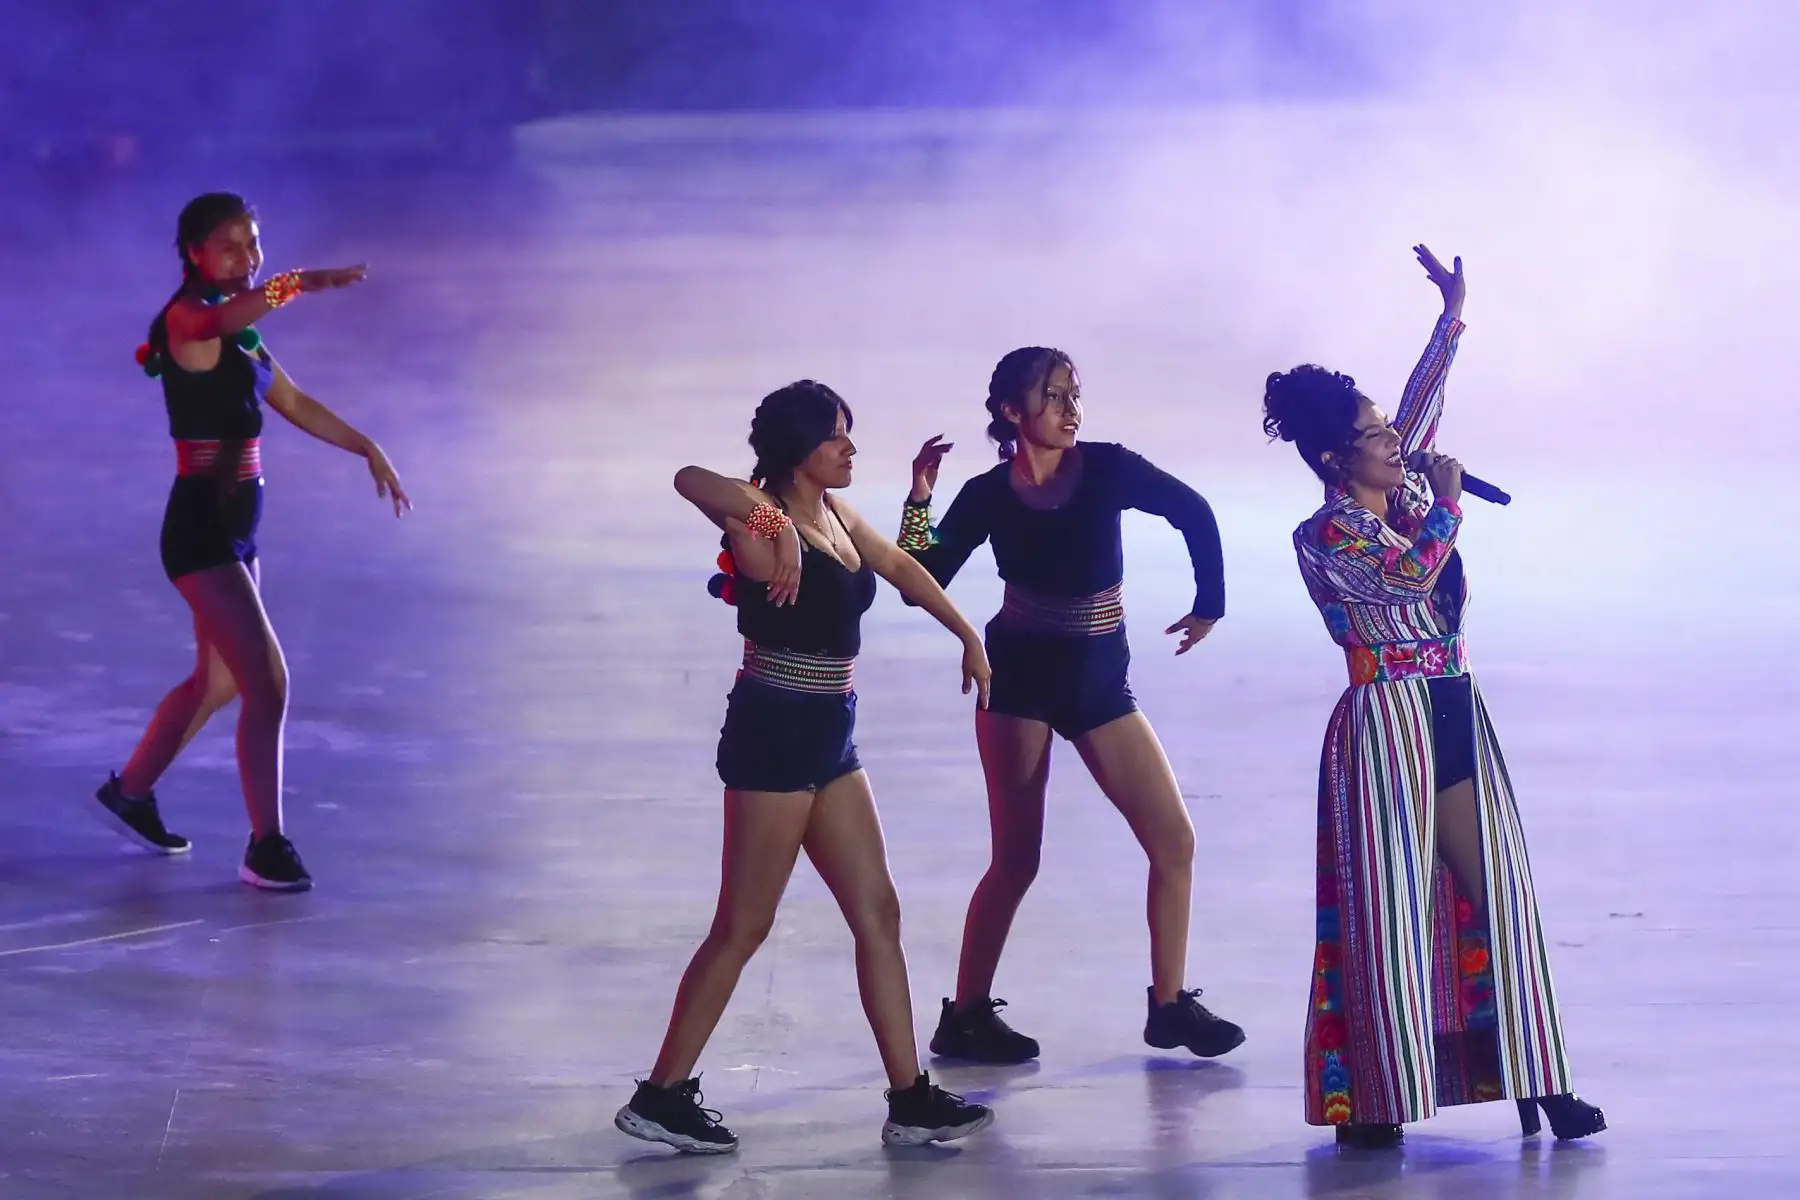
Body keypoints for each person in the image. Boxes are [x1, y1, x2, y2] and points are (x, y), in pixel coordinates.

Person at [1262, 244, 1606, 1148]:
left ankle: (1544, 1077)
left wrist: (1451, 316)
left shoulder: (1405, 490)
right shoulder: (1326, 535)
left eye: (1390, 433)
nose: (1399, 444)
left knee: (1499, 893)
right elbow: (1411, 583)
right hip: (1382, 726)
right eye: (1378, 436)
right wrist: (1449, 507)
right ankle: (1373, 1099)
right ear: (1341, 457)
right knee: (1387, 907)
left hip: (1451, 708)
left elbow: (1418, 411)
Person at [614, 381, 996, 1154]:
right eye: (835, 436)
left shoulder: (835, 515)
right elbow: (691, 478)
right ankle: (660, 1095)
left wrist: (968, 634)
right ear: (798, 449)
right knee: (744, 925)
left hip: (832, 733)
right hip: (775, 733)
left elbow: (899, 565)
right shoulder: (762, 520)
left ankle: (909, 1097)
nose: (850, 448)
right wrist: (772, 526)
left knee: (878, 914)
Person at [895, 350, 1245, 1064]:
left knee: (1173, 840)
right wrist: (918, 502)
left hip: (1097, 683)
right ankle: (964, 1016)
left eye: (1074, 393)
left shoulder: (1109, 468)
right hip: (1015, 680)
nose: (1070, 408)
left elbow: (1193, 511)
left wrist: (1211, 602)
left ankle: (1169, 1005)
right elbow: (918, 580)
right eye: (1051, 396)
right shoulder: (990, 492)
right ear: (1011, 413)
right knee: (1016, 859)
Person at [92, 192, 408, 892]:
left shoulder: (244, 333)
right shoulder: (190, 320)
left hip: (237, 527)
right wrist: (298, 281)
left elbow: (290, 401)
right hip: (201, 529)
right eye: (231, 246)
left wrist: (367, 446)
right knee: (267, 682)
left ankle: (130, 791)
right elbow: (229, 312)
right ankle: (266, 844)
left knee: (221, 680)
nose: (248, 257)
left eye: (254, 243)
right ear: (194, 253)